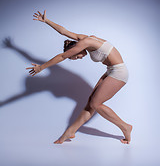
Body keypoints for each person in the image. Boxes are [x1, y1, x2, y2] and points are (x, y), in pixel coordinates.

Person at [26, 10, 133, 144]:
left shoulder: (84, 42)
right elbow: (63, 32)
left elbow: (62, 56)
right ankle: (70, 131)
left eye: (76, 56)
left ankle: (125, 127)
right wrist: (46, 21)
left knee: (96, 103)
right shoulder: (84, 39)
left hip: (119, 72)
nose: (79, 57)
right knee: (91, 102)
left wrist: (41, 68)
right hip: (111, 70)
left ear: (76, 48)